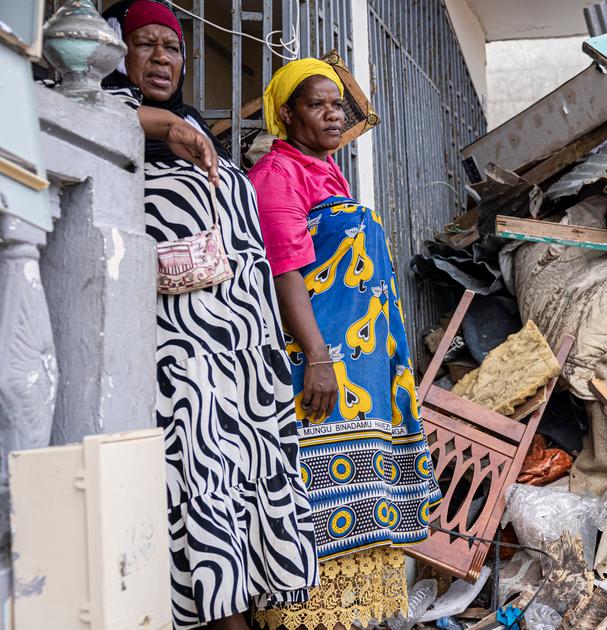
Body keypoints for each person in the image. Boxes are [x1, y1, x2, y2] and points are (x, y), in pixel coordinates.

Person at [99, 2, 318, 628]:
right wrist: (163, 124)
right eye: (145, 45)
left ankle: (252, 607)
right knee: (198, 482)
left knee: (252, 479)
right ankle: (223, 618)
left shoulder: (198, 130)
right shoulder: (109, 115)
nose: (162, 58)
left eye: (172, 48)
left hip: (244, 350)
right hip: (182, 349)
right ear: (118, 52)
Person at [249, 58, 442, 630]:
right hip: (319, 368)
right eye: (317, 104)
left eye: (338, 104)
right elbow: (285, 270)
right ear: (286, 115)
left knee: (362, 503)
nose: (333, 114)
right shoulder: (277, 175)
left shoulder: (326, 171)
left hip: (363, 375)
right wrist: (319, 358)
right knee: (311, 500)